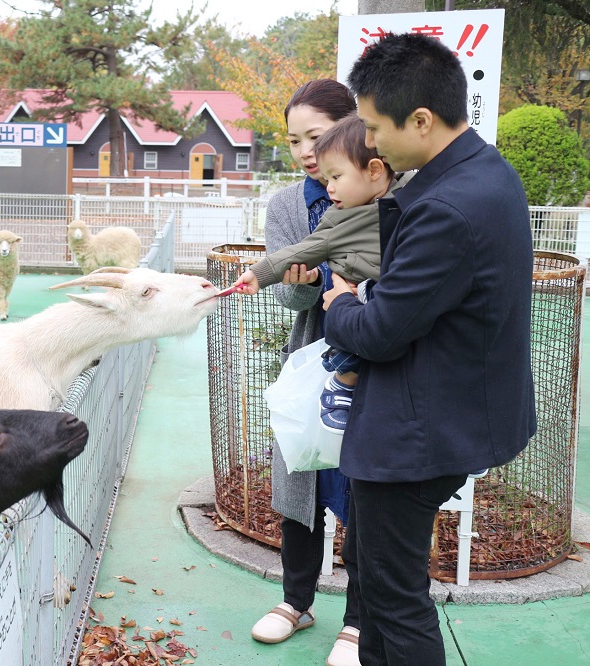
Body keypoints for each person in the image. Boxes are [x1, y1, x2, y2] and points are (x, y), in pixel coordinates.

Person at [321, 33, 536, 665]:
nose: (371, 143)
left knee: (392, 597)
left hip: (419, 433)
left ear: (421, 119)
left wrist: (341, 304)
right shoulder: (486, 173)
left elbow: (379, 332)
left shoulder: (447, 206)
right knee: (385, 582)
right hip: (457, 409)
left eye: (374, 127)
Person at [231, 79, 363, 666]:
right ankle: (296, 600)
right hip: (309, 359)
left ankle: (361, 618)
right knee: (301, 481)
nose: (307, 151)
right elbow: (287, 303)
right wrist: (305, 288)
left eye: (317, 136)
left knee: (365, 488)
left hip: (373, 361)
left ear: (349, 127)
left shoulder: (384, 186)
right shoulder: (287, 204)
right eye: (294, 140)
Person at [234, 112, 412, 434]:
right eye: (293, 140)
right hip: (360, 299)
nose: (329, 187)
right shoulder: (337, 219)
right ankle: (342, 384)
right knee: (358, 330)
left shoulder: (412, 192)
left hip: (405, 300)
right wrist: (259, 275)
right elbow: (299, 252)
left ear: (374, 169)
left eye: (336, 177)